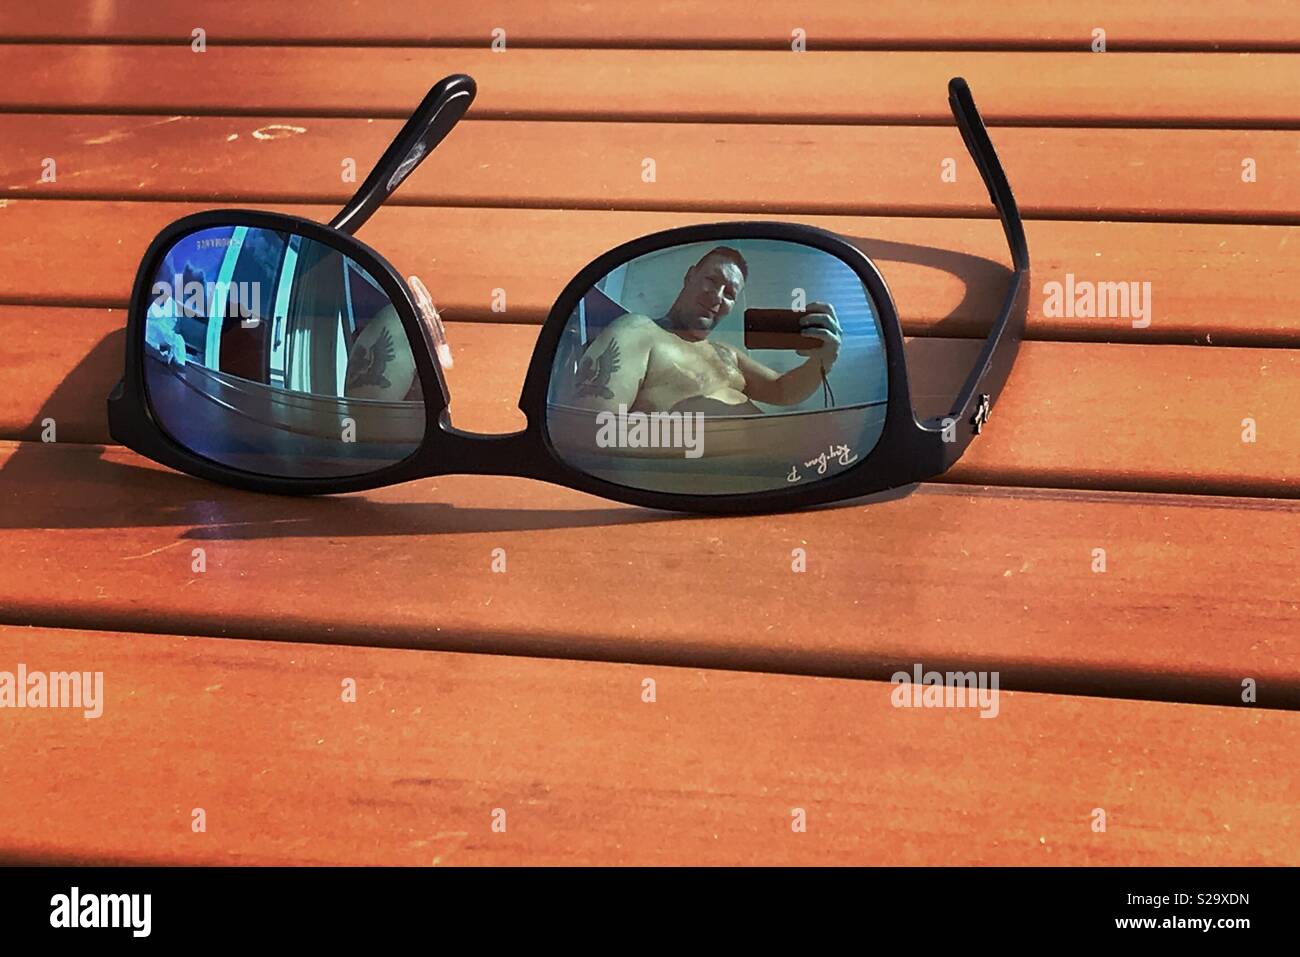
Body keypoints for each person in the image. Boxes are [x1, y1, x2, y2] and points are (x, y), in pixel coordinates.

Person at [568, 246, 840, 415]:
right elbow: (592, 431)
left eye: (731, 293)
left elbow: (782, 391)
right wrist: (697, 438)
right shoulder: (639, 330)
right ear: (689, 276)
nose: (718, 296)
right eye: (713, 280)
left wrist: (821, 361)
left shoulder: (727, 353)